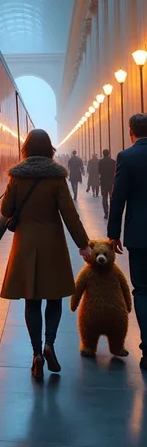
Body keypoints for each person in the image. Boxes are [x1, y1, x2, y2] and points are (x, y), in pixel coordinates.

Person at [0, 129, 91, 379]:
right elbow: (69, 215)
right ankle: (50, 344)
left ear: (26, 148)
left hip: (26, 245)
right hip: (52, 244)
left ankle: (37, 354)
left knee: (32, 300)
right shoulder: (57, 178)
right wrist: (83, 245)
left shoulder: (17, 177)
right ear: (49, 148)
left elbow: (5, 209)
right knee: (54, 298)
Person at [108, 113, 147, 371]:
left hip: (139, 235)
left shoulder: (126, 157)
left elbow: (118, 198)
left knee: (142, 291)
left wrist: (113, 233)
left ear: (130, 131)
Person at [98, 148, 115, 219]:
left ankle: (106, 213)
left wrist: (99, 180)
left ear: (103, 154)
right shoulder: (113, 161)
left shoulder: (100, 162)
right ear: (109, 154)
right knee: (112, 198)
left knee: (104, 198)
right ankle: (112, 213)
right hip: (111, 183)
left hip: (104, 183)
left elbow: (99, 172)